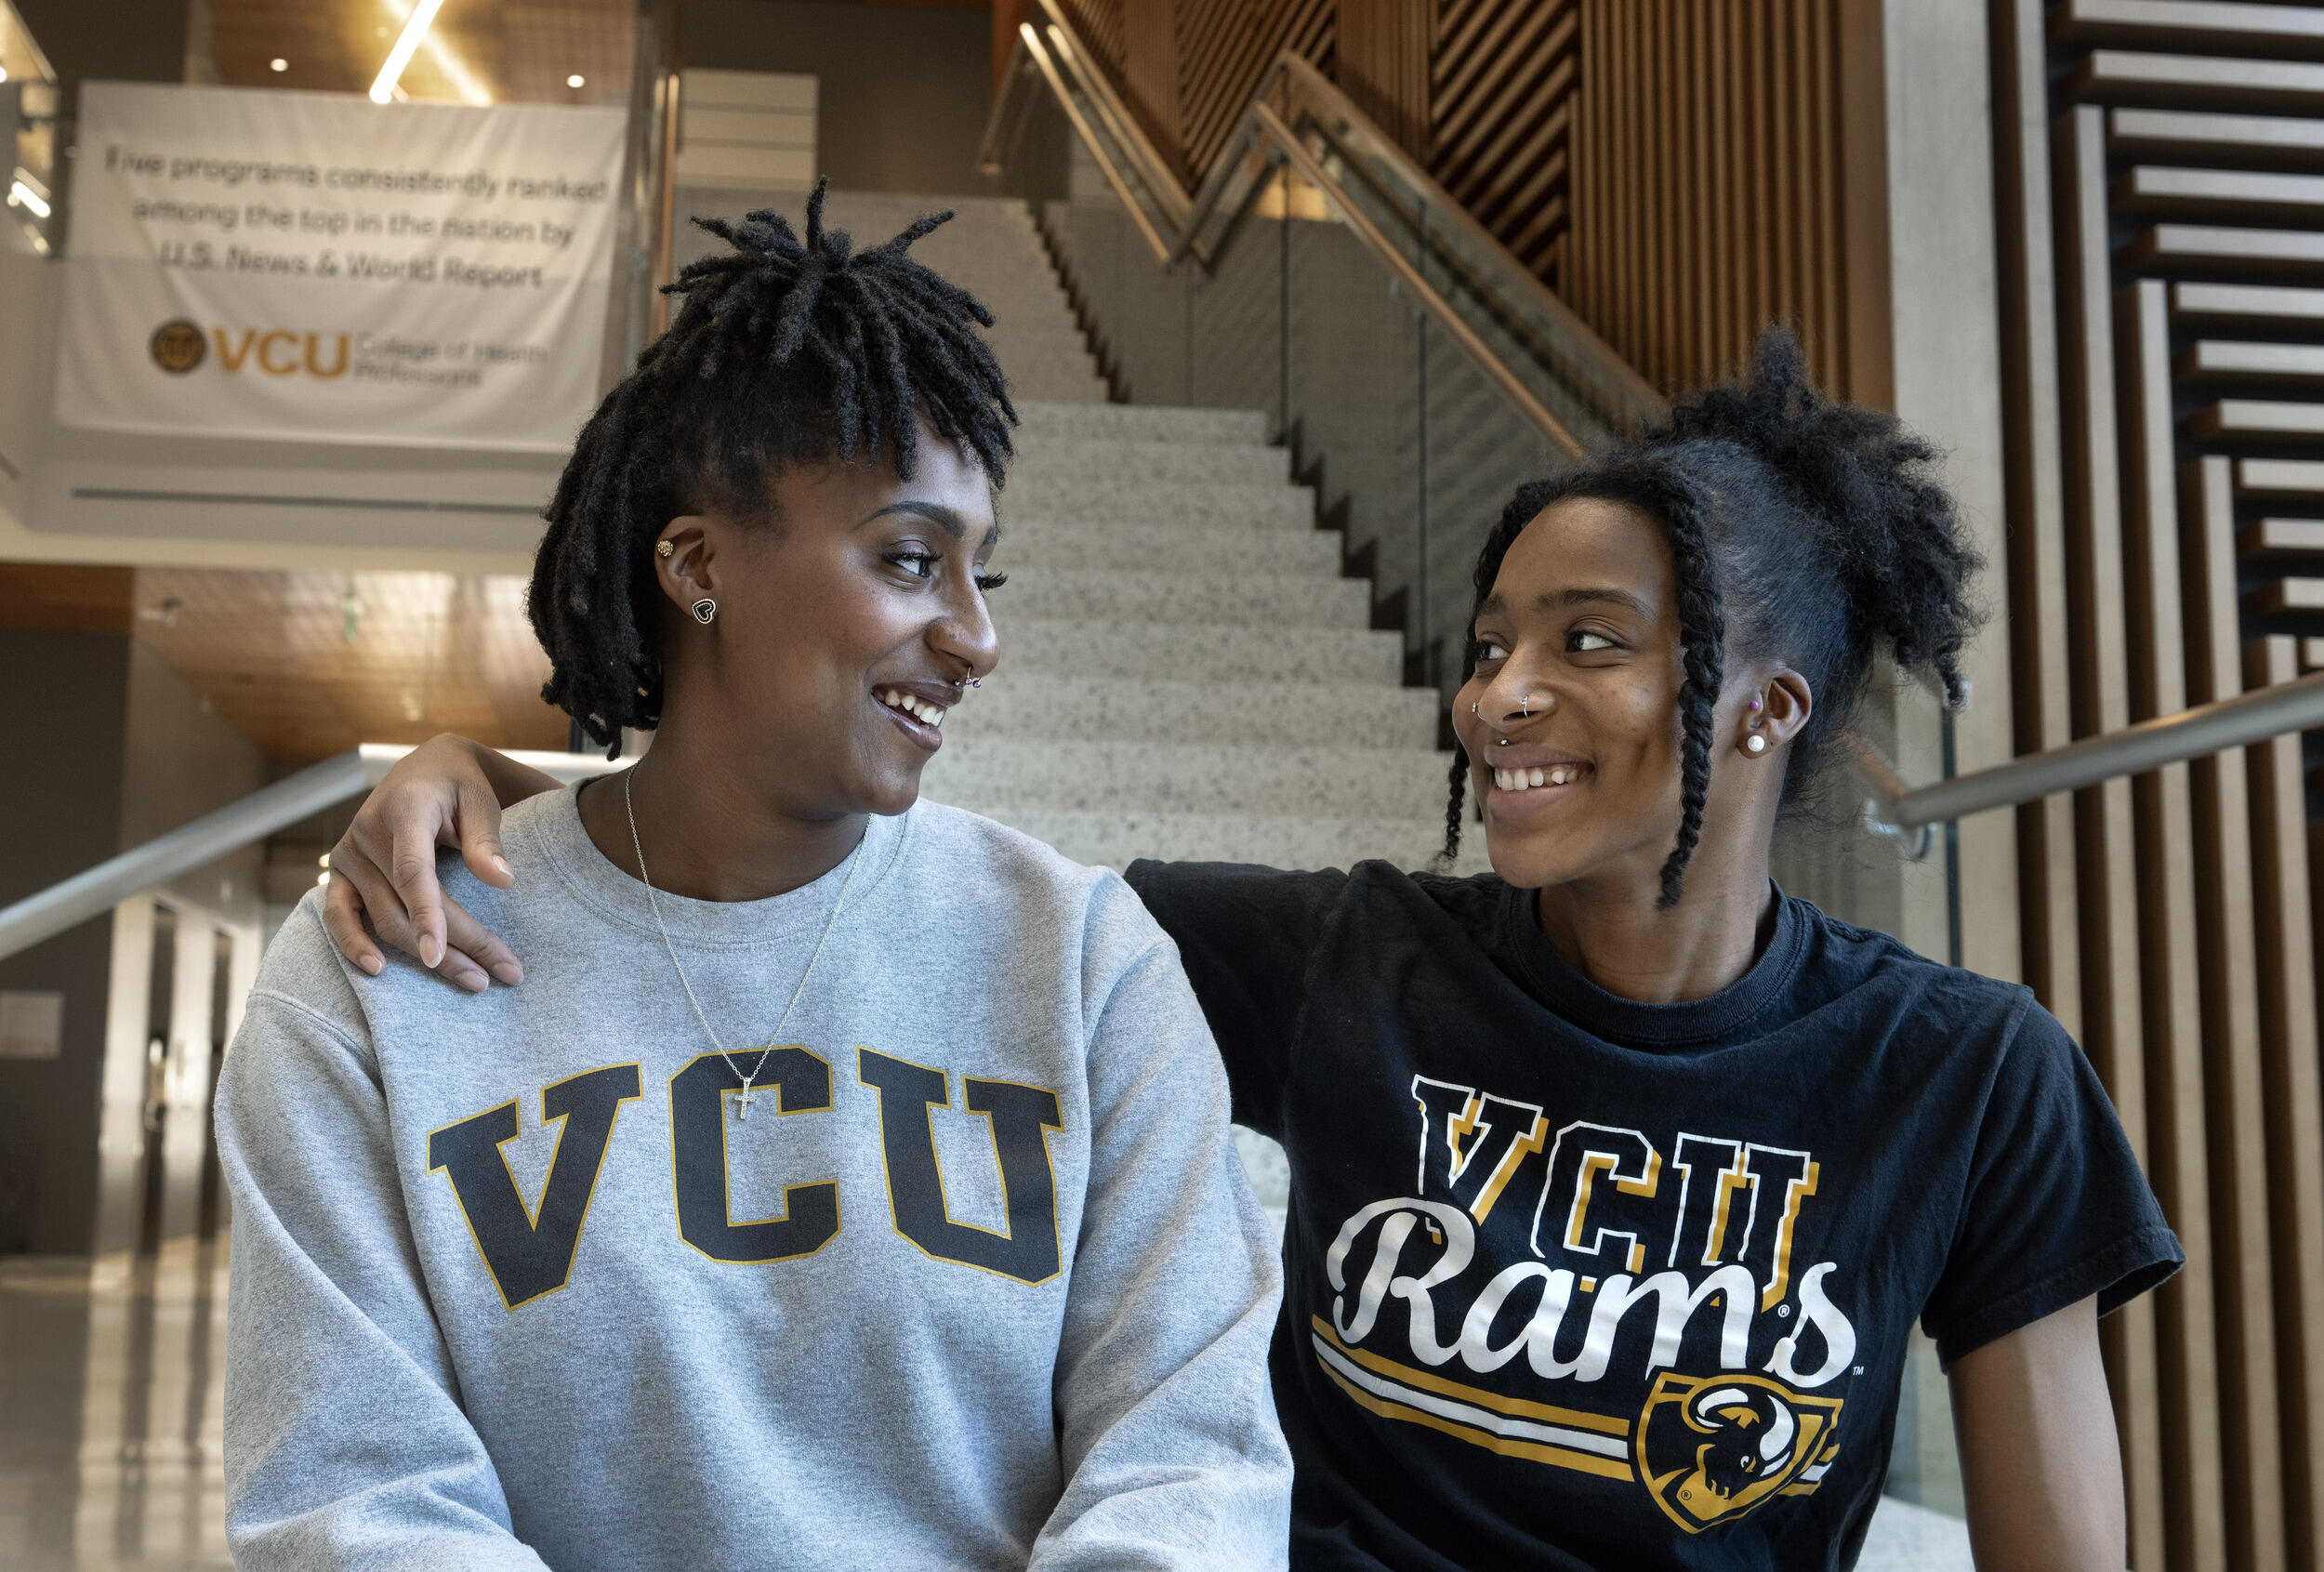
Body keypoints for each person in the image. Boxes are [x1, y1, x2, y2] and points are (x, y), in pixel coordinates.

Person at [323, 332, 2178, 1571]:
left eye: (1589, 642)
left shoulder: (1965, 1072)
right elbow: (854, 861)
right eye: (1489, 639)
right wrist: (498, 772)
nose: (1500, 696)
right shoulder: (1341, 959)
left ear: (1768, 706)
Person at [216, 185, 1292, 1572]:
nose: (974, 638)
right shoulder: (380, 964)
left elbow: (1190, 1463)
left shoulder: (1084, 960)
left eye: (983, 578)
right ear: (696, 565)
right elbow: (346, 1497)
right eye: (911, 559)